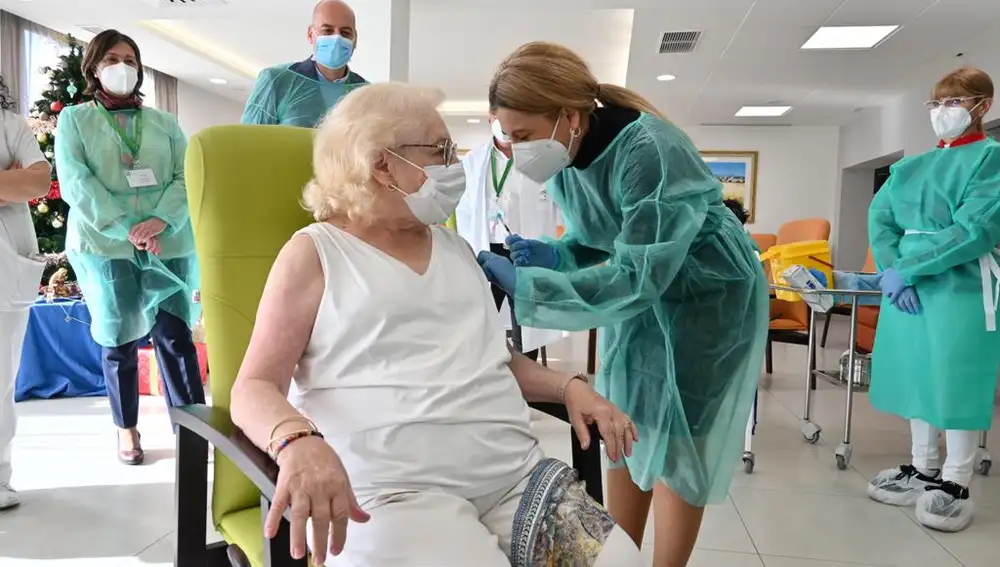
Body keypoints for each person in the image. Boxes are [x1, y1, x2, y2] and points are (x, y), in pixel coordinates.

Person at [229, 82, 644, 567]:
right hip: (397, 494)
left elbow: (497, 360)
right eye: (440, 150)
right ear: (381, 164)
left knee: (622, 563)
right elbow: (254, 385)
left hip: (514, 478)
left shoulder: (456, 249)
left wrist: (569, 385)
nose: (455, 163)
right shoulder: (316, 253)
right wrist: (297, 441)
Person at [478, 42, 769, 567]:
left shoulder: (649, 149)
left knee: (680, 436)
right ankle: (623, 556)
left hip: (706, 298)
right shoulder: (566, 154)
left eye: (522, 135)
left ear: (568, 115)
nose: (516, 149)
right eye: (508, 136)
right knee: (624, 417)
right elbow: (606, 238)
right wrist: (559, 254)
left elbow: (639, 273)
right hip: (644, 295)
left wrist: (531, 289)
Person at [56, 30, 203, 466]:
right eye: (113, 58)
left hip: (167, 239)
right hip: (107, 246)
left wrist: (162, 220)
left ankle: (193, 428)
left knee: (175, 336)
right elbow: (77, 182)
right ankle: (127, 429)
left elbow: (184, 174)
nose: (123, 67)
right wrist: (127, 228)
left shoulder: (164, 123)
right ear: (94, 67)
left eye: (131, 59)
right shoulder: (75, 120)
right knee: (118, 339)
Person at [866, 66, 1000, 533]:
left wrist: (910, 268)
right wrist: (890, 271)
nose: (943, 112)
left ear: (983, 106)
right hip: (909, 287)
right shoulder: (910, 166)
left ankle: (956, 480)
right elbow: (880, 216)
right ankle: (923, 468)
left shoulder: (991, 160)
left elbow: (976, 230)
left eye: (955, 102)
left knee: (955, 378)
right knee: (917, 376)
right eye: (937, 103)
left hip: (959, 286)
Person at [455, 116, 566, 359]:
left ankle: (527, 383)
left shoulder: (540, 160)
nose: (504, 125)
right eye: (498, 118)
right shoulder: (474, 160)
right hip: (486, 251)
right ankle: (485, 376)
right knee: (481, 319)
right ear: (490, 119)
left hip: (525, 252)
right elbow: (463, 211)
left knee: (525, 322)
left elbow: (561, 210)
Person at [0, 75, 52, 510]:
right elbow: (19, 183)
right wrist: (5, 182)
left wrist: (20, 182)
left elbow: (37, 182)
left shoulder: (9, 124)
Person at [242, 0, 368, 127]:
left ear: (355, 39)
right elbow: (249, 141)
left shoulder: (368, 94)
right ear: (310, 34)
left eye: (345, 33)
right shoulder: (276, 81)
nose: (336, 38)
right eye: (327, 31)